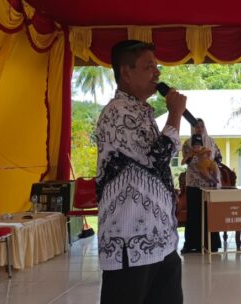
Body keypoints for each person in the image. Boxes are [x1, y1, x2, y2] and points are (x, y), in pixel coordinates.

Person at [95, 40, 186, 304]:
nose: (157, 73)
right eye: (149, 67)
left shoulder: (142, 112)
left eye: (157, 67)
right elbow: (156, 158)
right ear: (126, 72)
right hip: (128, 244)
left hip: (161, 240)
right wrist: (175, 114)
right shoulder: (116, 113)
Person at [180, 133, 222, 254]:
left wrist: (211, 165)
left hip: (209, 186)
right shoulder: (187, 144)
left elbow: (219, 157)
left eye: (201, 126)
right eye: (196, 126)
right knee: (193, 214)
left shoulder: (211, 142)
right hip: (193, 184)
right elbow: (186, 161)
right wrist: (191, 153)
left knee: (209, 214)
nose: (199, 128)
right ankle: (191, 244)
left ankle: (211, 244)